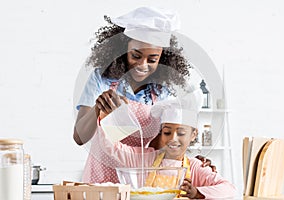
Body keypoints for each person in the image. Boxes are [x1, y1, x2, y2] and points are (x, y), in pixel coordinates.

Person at [73, 6, 215, 183]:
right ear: (123, 50)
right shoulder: (101, 79)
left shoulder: (164, 93)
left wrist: (191, 162)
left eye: (152, 59)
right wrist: (97, 109)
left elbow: (163, 145)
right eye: (136, 56)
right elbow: (79, 137)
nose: (142, 64)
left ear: (162, 59)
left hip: (141, 178)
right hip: (101, 175)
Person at [94, 91, 236, 199]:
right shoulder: (145, 159)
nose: (173, 139)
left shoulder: (195, 167)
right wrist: (104, 115)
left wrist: (197, 192)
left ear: (193, 134)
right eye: (167, 132)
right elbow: (111, 147)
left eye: (181, 133)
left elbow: (229, 189)